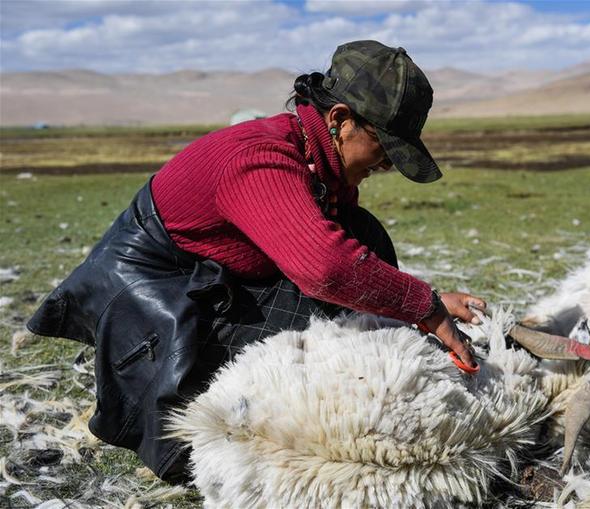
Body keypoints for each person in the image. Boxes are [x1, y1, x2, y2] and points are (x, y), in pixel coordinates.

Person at [27, 40, 486, 483]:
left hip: (215, 286)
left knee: (359, 235)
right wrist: (424, 306)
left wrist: (417, 303)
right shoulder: (258, 158)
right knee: (271, 417)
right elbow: (324, 267)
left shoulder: (318, 162)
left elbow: (342, 256)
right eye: (384, 147)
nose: (386, 164)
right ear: (341, 120)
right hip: (156, 313)